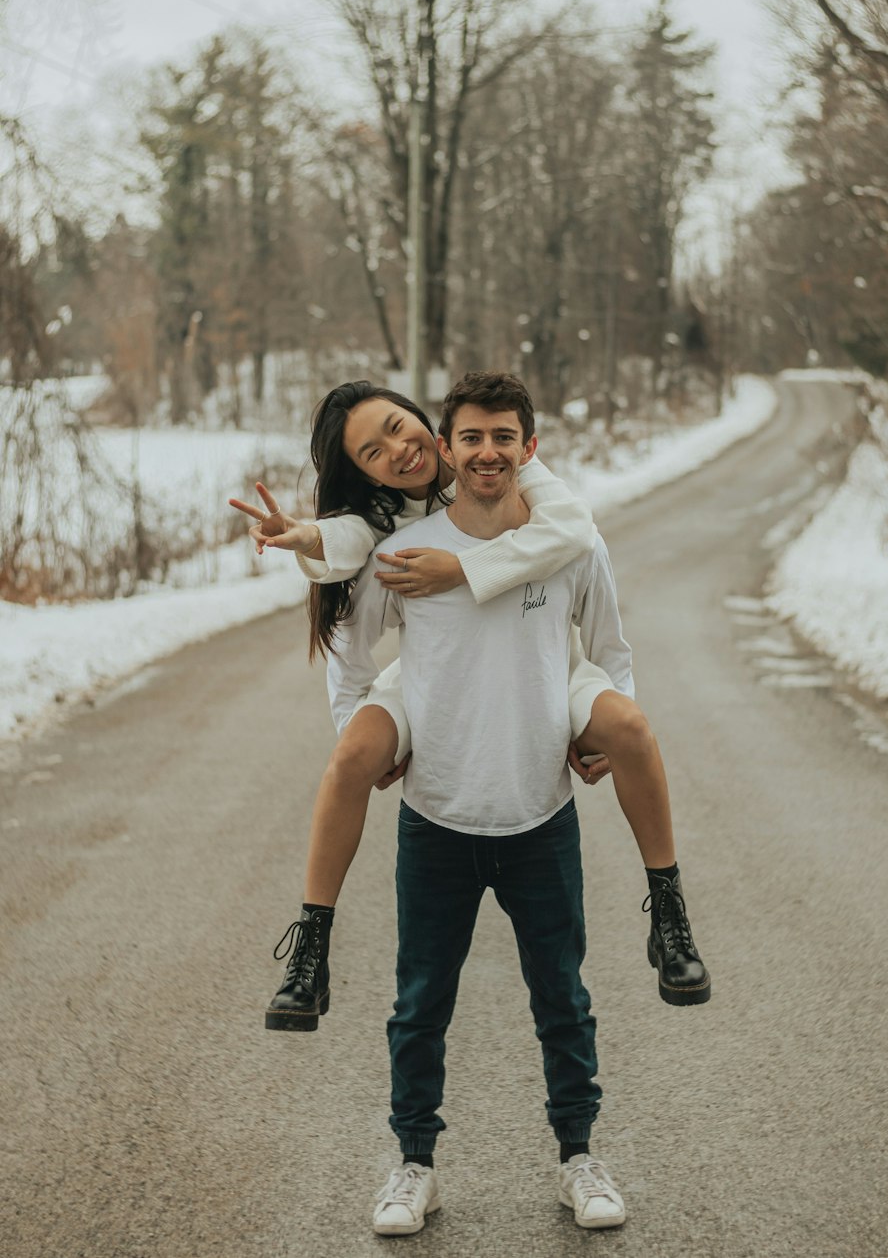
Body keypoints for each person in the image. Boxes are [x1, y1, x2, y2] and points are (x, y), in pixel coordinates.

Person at [229, 381, 708, 1035]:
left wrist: (463, 570)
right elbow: (345, 546)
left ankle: (669, 911)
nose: (398, 450)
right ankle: (311, 951)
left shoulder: (488, 452)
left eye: (399, 426)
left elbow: (573, 531)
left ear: (423, 418)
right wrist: (307, 536)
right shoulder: (382, 518)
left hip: (545, 664)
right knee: (350, 759)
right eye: (373, 451)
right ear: (362, 471)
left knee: (629, 725)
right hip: (434, 669)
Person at [328, 371, 637, 1232]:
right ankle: (412, 1165)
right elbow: (350, 659)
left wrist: (600, 732)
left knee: (562, 996)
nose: (488, 451)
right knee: (420, 1001)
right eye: (471, 437)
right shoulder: (405, 552)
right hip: (436, 817)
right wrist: (372, 734)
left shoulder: (572, 543)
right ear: (449, 447)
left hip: (541, 814)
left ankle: (580, 1156)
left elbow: (610, 653)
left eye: (505, 436)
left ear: (528, 448)